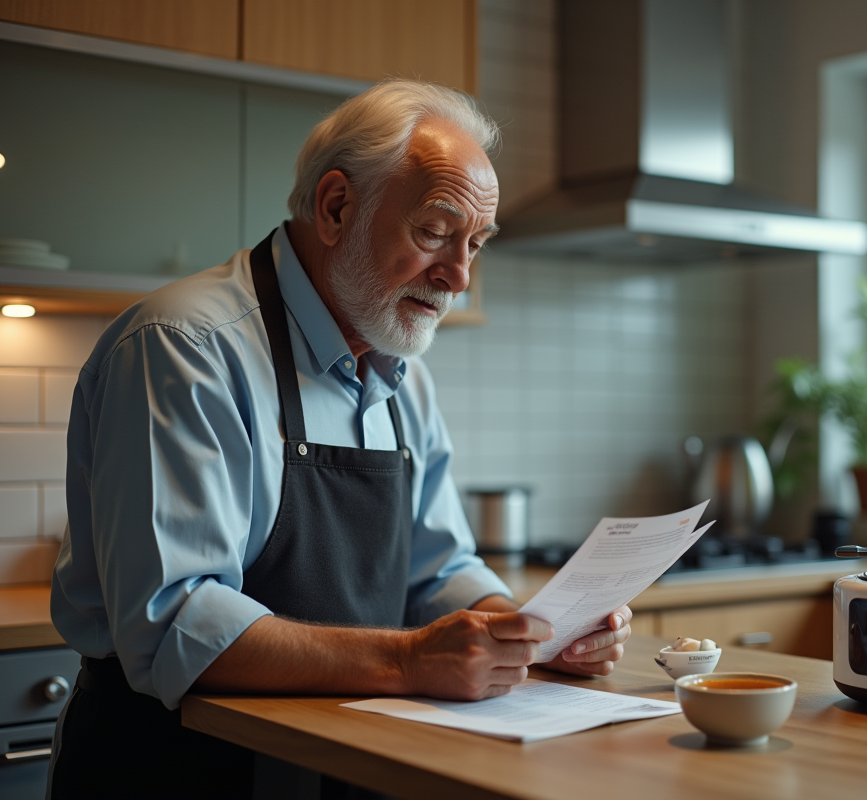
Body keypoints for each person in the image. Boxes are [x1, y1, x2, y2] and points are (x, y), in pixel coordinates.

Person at [46, 79, 632, 799]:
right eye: (435, 232)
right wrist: (413, 660)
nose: (460, 276)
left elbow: (435, 568)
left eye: (475, 244)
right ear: (335, 207)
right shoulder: (185, 347)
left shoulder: (402, 375)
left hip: (344, 758)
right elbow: (177, 622)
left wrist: (524, 632)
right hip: (179, 768)